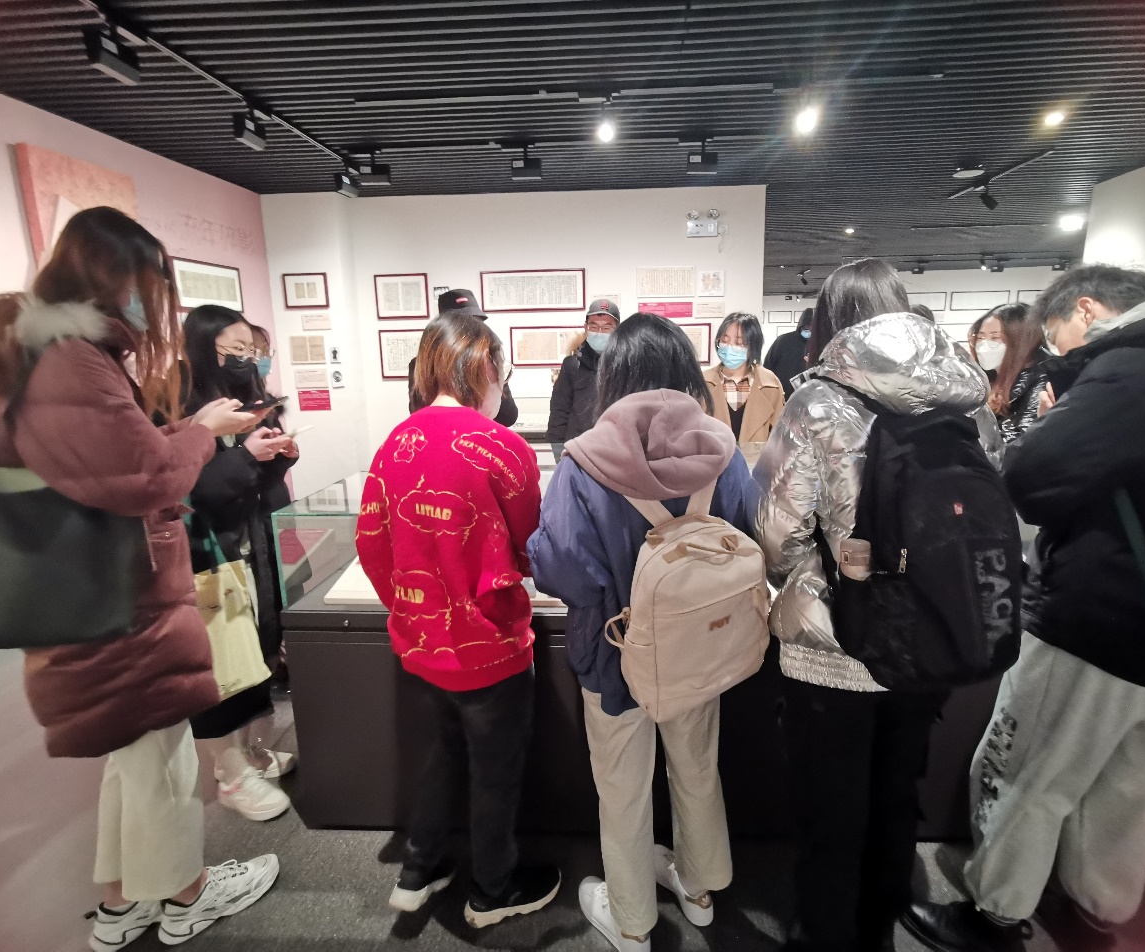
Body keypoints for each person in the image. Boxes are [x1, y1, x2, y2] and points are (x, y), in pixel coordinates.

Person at [0, 207, 279, 950]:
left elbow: (112, 458)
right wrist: (201, 432)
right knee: (159, 762)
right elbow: (144, 476)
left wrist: (191, 432)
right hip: (121, 596)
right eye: (147, 284)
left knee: (133, 759)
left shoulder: (47, 357)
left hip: (92, 591)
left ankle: (119, 903)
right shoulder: (72, 361)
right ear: (115, 277)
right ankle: (187, 896)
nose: (152, 303)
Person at [903, 266, 1145, 952]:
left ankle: (994, 912)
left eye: (1055, 335)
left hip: (1095, 612)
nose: (1055, 349)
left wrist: (1055, 421)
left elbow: (1029, 477)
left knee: (1028, 767)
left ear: (1086, 309)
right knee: (1126, 780)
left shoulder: (1135, 368)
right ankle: (1097, 905)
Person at [754, 258, 998, 952]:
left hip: (835, 646)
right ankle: (880, 922)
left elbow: (776, 533)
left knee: (830, 804)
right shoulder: (967, 401)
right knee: (897, 788)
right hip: (930, 635)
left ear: (829, 322)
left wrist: (819, 572)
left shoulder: (816, 402)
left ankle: (827, 933)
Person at [529, 313, 758, 952]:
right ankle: (701, 891)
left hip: (613, 655)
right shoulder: (722, 451)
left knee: (623, 790)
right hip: (700, 650)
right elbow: (748, 539)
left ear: (612, 376)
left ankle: (633, 922)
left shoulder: (585, 461)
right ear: (687, 369)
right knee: (697, 770)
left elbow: (560, 568)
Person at [356, 311, 560, 928]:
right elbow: (532, 545)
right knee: (495, 772)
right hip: (490, 646)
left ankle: (418, 869)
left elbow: (371, 543)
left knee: (441, 753)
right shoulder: (504, 447)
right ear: (486, 367)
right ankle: (492, 891)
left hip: (422, 644)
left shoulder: (394, 442)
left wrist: (410, 608)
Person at [180, 305, 299, 822]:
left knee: (258, 648)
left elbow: (257, 480)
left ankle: (250, 751)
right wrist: (247, 455)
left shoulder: (252, 398)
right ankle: (229, 773)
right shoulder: (185, 410)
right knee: (221, 664)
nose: (247, 358)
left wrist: (277, 453)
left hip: (255, 544)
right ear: (205, 348)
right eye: (234, 349)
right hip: (211, 553)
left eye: (251, 348)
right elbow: (194, 486)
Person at [407, 289, 517, 426]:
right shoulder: (422, 365)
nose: (472, 332)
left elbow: (508, 416)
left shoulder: (490, 360)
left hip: (485, 433)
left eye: (476, 323)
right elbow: (419, 413)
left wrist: (494, 376)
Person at [546, 298, 620, 446]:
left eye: (606, 327)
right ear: (586, 327)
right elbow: (559, 412)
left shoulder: (625, 365)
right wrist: (556, 449)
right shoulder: (572, 365)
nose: (599, 332)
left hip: (614, 448)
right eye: (594, 326)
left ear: (617, 330)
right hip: (577, 448)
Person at [704, 312, 785, 443]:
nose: (729, 348)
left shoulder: (771, 384)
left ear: (753, 347)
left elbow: (779, 436)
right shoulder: (702, 383)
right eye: (724, 341)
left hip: (757, 456)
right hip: (713, 455)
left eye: (739, 343)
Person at [981, 303, 1049, 443]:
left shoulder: (1040, 379)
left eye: (995, 338)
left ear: (1020, 340)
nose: (983, 346)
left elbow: (1021, 440)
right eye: (981, 337)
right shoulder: (989, 377)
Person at [764, 307, 815, 397]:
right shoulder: (783, 341)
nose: (808, 329)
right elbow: (768, 367)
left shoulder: (820, 344)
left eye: (812, 326)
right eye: (806, 326)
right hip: (781, 396)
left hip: (809, 397)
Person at [968, 309, 1007, 379]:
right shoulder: (984, 380)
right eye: (980, 337)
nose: (984, 347)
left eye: (995, 337)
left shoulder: (1025, 383)